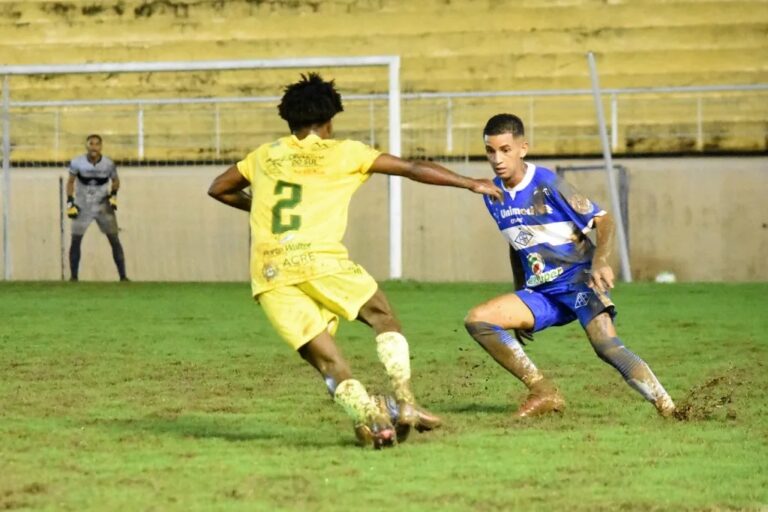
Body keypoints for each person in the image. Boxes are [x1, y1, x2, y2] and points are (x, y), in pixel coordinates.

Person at [208, 73, 502, 448]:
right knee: (383, 316)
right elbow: (412, 168)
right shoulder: (345, 152)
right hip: (321, 261)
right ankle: (405, 401)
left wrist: (258, 209)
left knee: (327, 363)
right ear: (329, 122)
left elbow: (218, 187)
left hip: (270, 273)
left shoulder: (264, 156)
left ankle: (374, 421)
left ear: (289, 120)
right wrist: (469, 182)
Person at [464, 113, 676, 418]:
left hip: (579, 282)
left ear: (523, 148)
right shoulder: (493, 195)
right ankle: (543, 391)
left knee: (606, 346)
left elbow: (603, 220)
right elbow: (517, 245)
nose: (497, 158)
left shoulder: (547, 183)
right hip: (541, 292)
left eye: (505, 149)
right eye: (490, 151)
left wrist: (600, 261)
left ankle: (669, 407)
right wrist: (520, 293)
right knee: (478, 320)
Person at [66, 134, 128, 282]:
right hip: (82, 205)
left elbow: (116, 181)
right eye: (91, 144)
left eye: (96, 144)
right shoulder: (77, 163)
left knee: (114, 239)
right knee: (75, 240)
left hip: (103, 206)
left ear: (101, 146)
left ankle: (123, 277)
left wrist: (113, 196)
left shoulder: (108, 164)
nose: (94, 147)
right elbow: (70, 182)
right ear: (87, 146)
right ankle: (74, 277)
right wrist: (70, 203)